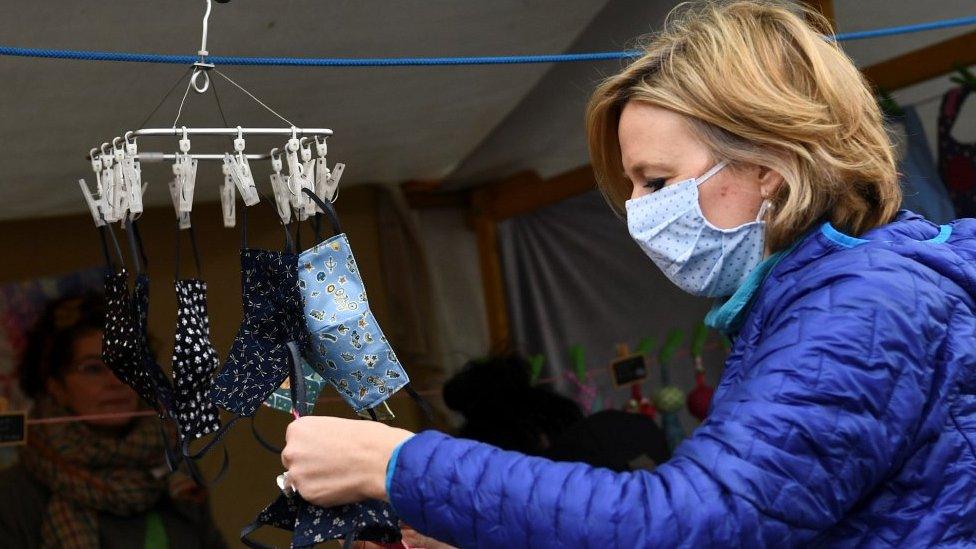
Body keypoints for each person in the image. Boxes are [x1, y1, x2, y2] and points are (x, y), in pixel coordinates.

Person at [279, 2, 976, 546]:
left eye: (656, 179)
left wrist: (398, 464)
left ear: (770, 165)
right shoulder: (822, 303)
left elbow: (693, 523)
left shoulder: (863, 308)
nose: (637, 211)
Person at [0, 293, 226, 548]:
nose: (116, 381)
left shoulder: (177, 474)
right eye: (93, 369)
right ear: (55, 386)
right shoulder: (15, 494)